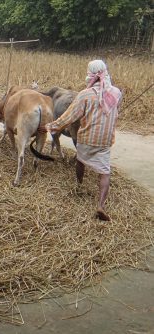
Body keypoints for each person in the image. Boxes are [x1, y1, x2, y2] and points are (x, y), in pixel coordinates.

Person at [46, 59, 122, 221]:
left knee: (80, 160)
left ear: (90, 75)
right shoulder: (116, 93)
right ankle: (100, 205)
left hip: (87, 138)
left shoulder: (84, 95)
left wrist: (50, 127)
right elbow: (116, 112)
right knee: (105, 172)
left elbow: (68, 117)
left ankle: (79, 185)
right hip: (105, 140)